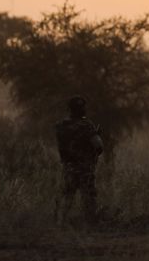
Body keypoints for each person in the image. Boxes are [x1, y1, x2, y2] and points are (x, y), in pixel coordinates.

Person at [55, 96, 104, 224]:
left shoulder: (61, 125)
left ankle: (60, 223)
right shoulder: (87, 125)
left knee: (66, 195)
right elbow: (99, 146)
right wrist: (96, 136)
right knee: (88, 196)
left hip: (68, 166)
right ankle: (90, 224)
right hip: (85, 167)